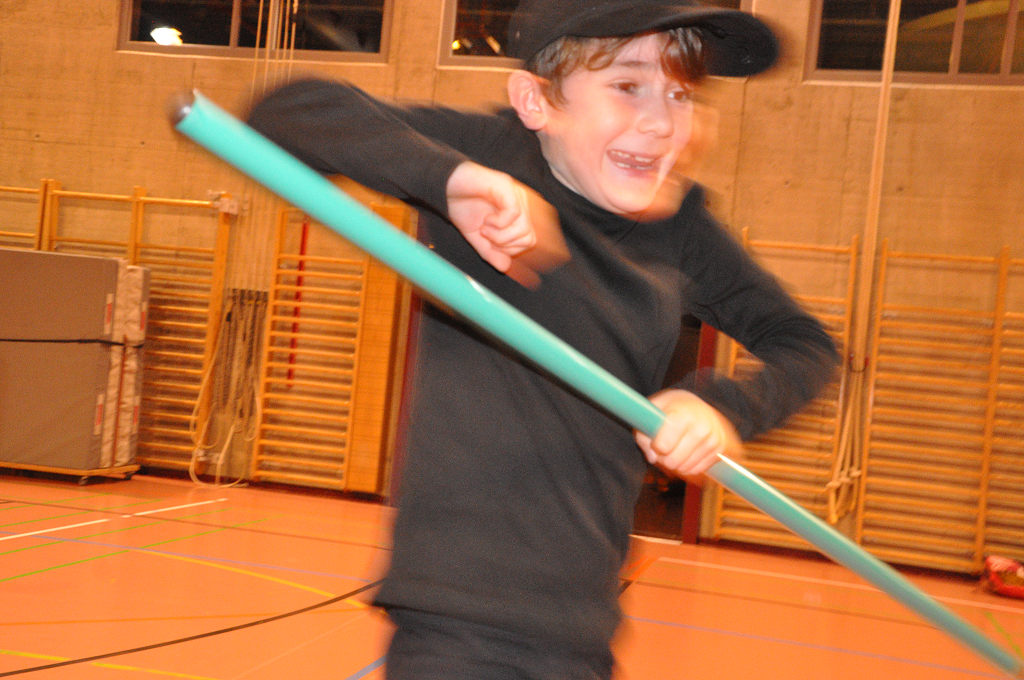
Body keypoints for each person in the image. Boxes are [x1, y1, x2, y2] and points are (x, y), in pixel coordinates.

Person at [247, 1, 839, 678]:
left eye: (681, 94)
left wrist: (721, 407)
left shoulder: (683, 230)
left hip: (582, 630)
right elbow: (285, 114)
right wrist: (452, 181)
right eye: (628, 85)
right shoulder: (491, 158)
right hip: (456, 626)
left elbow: (805, 344)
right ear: (536, 101)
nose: (662, 122)